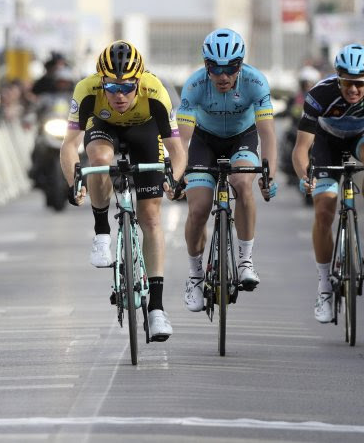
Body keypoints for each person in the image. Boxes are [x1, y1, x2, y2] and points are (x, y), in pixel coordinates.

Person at [60, 40, 186, 341]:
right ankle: (102, 234)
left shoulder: (155, 91)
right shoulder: (86, 90)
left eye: (127, 87)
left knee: (151, 217)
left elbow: (176, 150)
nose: (120, 95)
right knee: (99, 160)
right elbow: (69, 145)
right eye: (112, 88)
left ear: (138, 81)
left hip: (145, 132)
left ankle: (156, 310)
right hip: (103, 128)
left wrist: (174, 177)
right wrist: (72, 182)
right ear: (101, 81)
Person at [292, 43, 364, 324]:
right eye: (347, 83)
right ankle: (324, 288)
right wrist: (305, 176)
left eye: (359, 84)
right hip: (326, 144)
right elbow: (301, 148)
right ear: (338, 78)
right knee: (324, 210)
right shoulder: (319, 94)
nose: (353, 90)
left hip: (363, 135)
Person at [177, 28, 277, 312]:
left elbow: (268, 135)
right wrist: (174, 176)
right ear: (206, 65)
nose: (223, 76)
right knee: (198, 209)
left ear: (240, 64)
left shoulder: (256, 82)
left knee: (243, 183)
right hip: (203, 141)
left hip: (241, 139)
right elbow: (182, 139)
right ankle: (195, 276)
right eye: (215, 69)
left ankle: (245, 260)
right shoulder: (195, 85)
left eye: (230, 68)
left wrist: (269, 175)